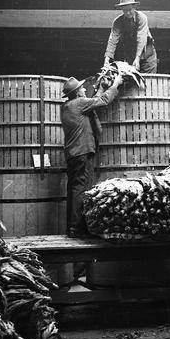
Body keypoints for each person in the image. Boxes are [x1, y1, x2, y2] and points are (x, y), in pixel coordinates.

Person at [61, 73, 123, 236]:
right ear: (78, 92)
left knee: (73, 189)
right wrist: (115, 84)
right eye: (82, 89)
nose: (84, 90)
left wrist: (101, 87)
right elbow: (103, 101)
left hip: (72, 154)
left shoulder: (68, 106)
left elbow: (91, 103)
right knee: (81, 189)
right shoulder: (80, 103)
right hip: (83, 152)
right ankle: (77, 228)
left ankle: (71, 227)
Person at [103, 0, 157, 73]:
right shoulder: (117, 22)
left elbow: (141, 38)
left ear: (134, 7)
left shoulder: (142, 18)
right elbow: (112, 40)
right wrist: (107, 58)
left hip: (147, 55)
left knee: (148, 81)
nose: (128, 13)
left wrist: (137, 58)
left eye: (129, 10)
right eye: (125, 11)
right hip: (131, 55)